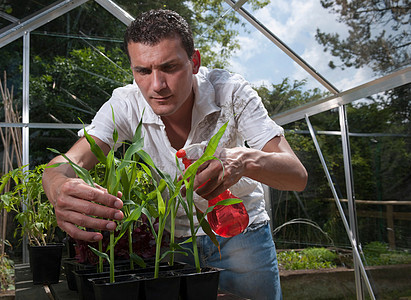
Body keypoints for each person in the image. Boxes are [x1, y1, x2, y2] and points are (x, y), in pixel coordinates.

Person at [42, 9, 307, 300]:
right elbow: (68, 163)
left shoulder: (231, 91)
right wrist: (57, 188)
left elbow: (296, 175)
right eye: (142, 71)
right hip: (172, 245)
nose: (157, 86)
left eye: (169, 67)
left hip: (241, 236)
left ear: (194, 62)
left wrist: (243, 161)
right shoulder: (127, 104)